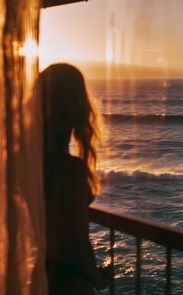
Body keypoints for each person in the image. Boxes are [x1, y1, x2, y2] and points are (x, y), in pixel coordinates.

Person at [40, 63, 113, 294]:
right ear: (77, 109)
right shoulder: (69, 169)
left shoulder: (29, 165)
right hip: (67, 286)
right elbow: (76, 246)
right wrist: (99, 278)